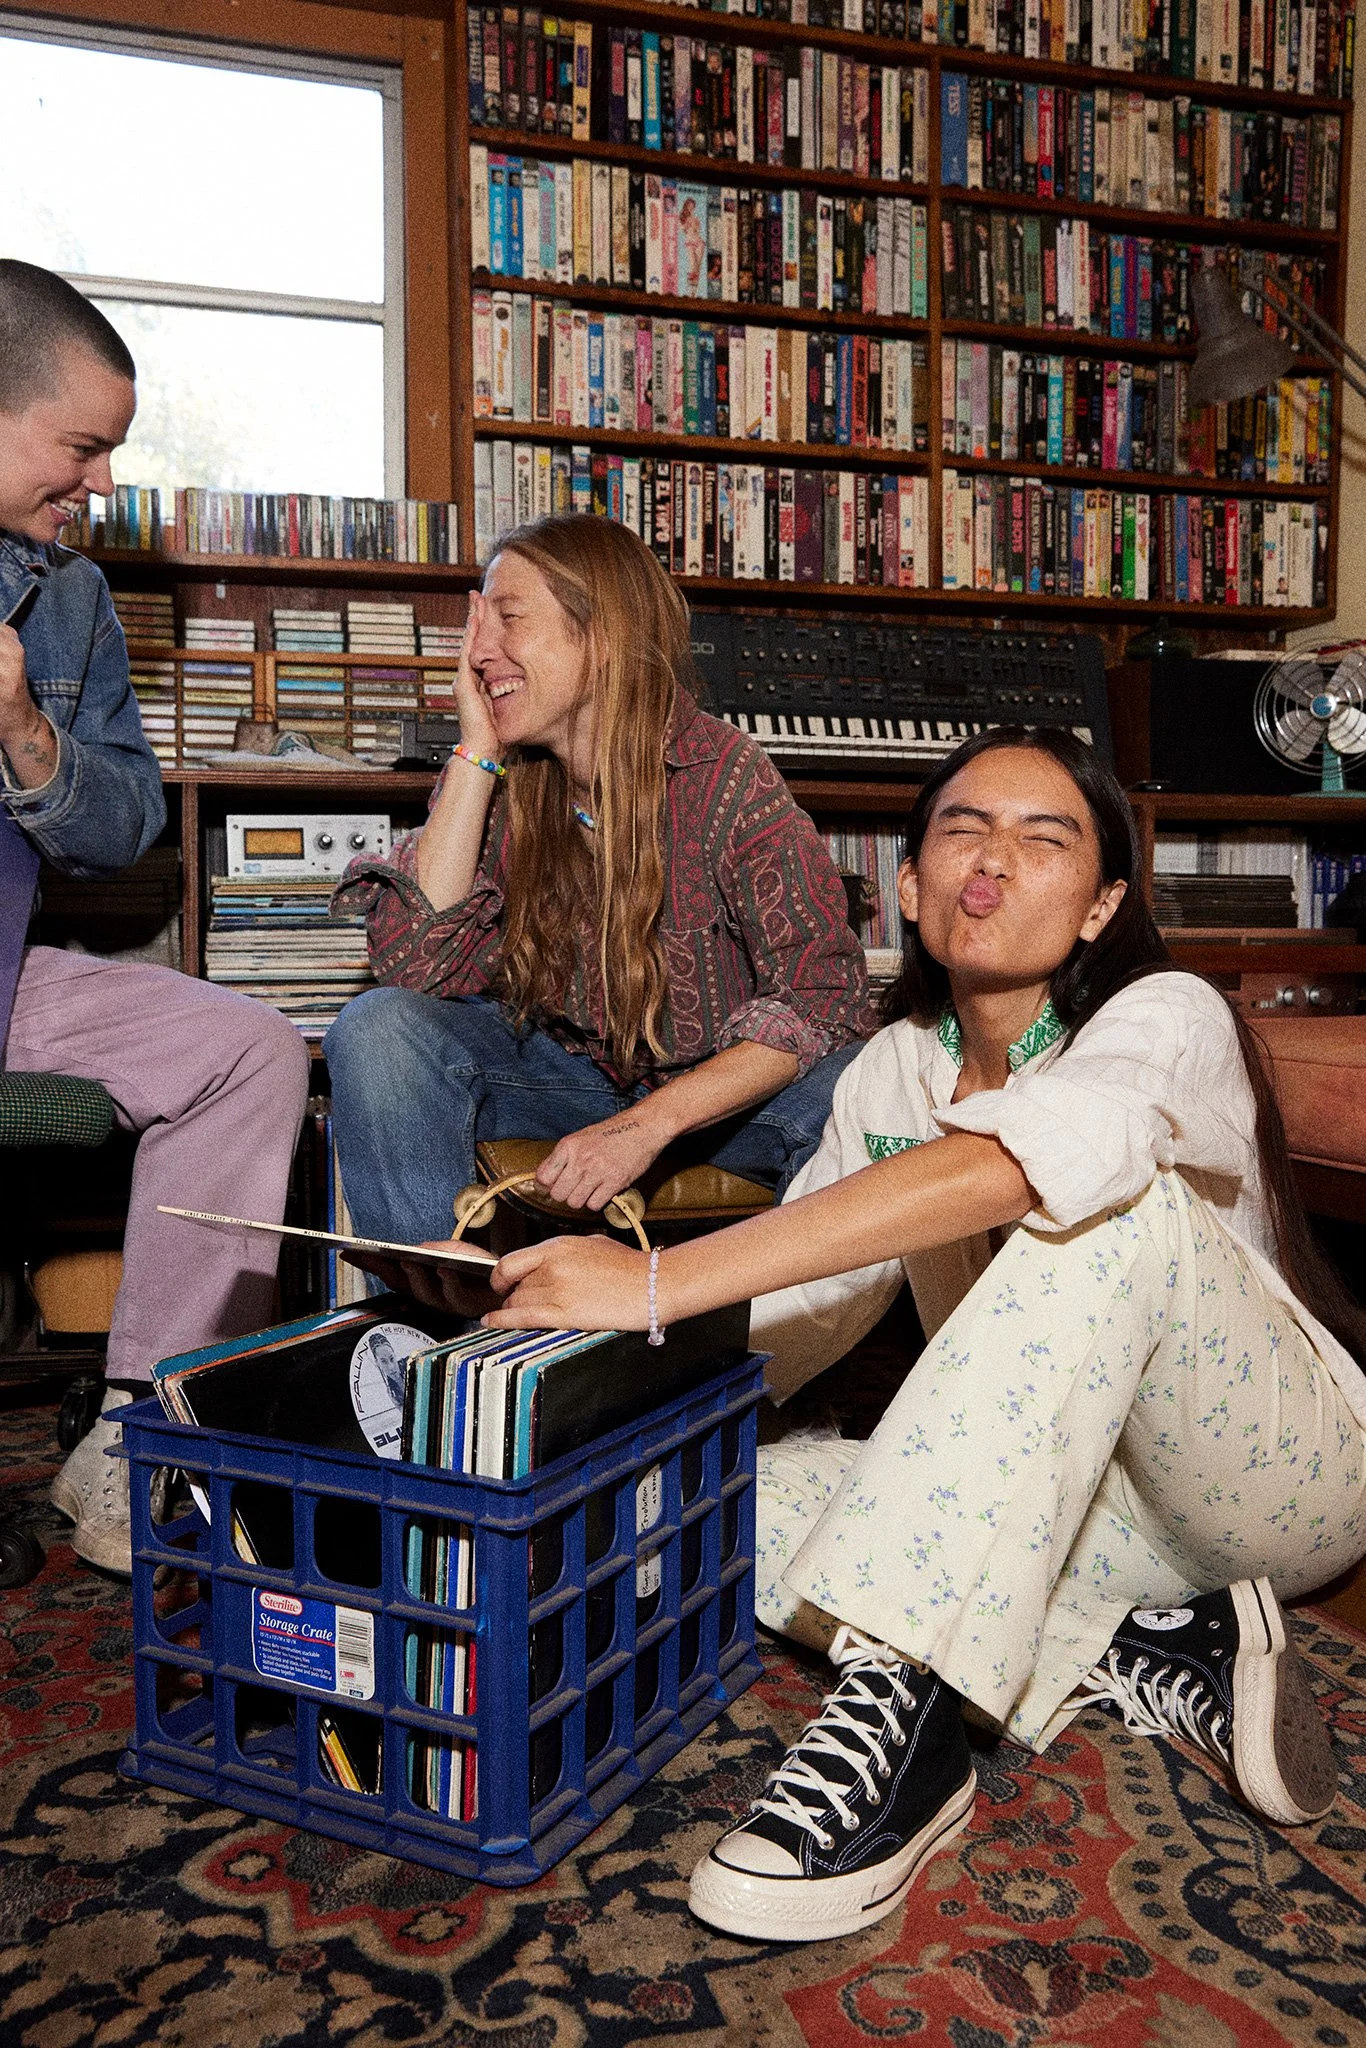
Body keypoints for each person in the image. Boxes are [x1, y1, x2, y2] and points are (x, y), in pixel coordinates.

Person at [468, 726, 1366, 1944]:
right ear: (905, 884)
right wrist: (543, 1381)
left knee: (1092, 1196)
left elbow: (1022, 1159)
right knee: (695, 1497)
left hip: (1269, 1481)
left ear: (1103, 904)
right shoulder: (889, 1067)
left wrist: (651, 1279)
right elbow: (799, 1312)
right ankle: (1151, 1640)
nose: (991, 860)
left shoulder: (1168, 1011)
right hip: (1081, 1532)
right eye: (961, 829)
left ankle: (913, 1713)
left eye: (1043, 839)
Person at [0, 260, 310, 1572]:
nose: (102, 484)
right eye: (80, 447)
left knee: (258, 1049)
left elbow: (124, 818)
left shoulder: (67, 597)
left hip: (9, 969)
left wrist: (23, 730)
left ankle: (141, 1437)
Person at [325, 514, 873, 1253]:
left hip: (719, 1108)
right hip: (568, 1086)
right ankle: (448, 1330)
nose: (479, 654)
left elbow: (821, 997)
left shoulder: (728, 777)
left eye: (507, 619)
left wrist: (645, 1126)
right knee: (377, 1029)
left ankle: (760, 1334)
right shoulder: (506, 786)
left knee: (857, 1089)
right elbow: (419, 966)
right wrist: (476, 751)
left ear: (601, 634)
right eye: (477, 626)